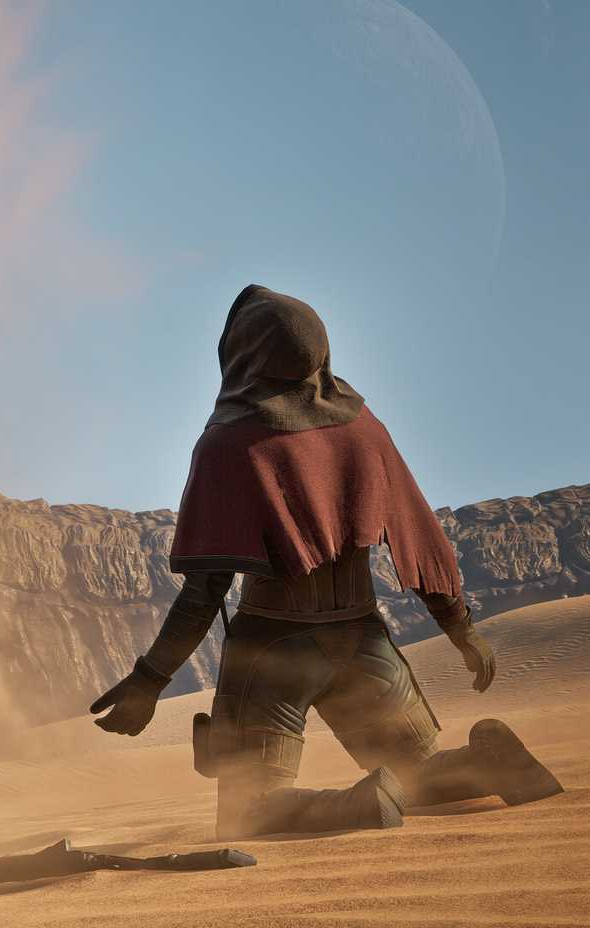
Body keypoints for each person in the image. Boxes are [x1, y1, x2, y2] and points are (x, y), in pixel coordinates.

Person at [90, 285, 563, 839]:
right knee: (419, 770)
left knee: (248, 810)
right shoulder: (364, 428)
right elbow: (419, 536)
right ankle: (488, 764)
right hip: (365, 640)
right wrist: (461, 629)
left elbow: (205, 591)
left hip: (273, 649)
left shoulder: (230, 445)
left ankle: (355, 806)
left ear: (243, 354)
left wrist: (149, 681)